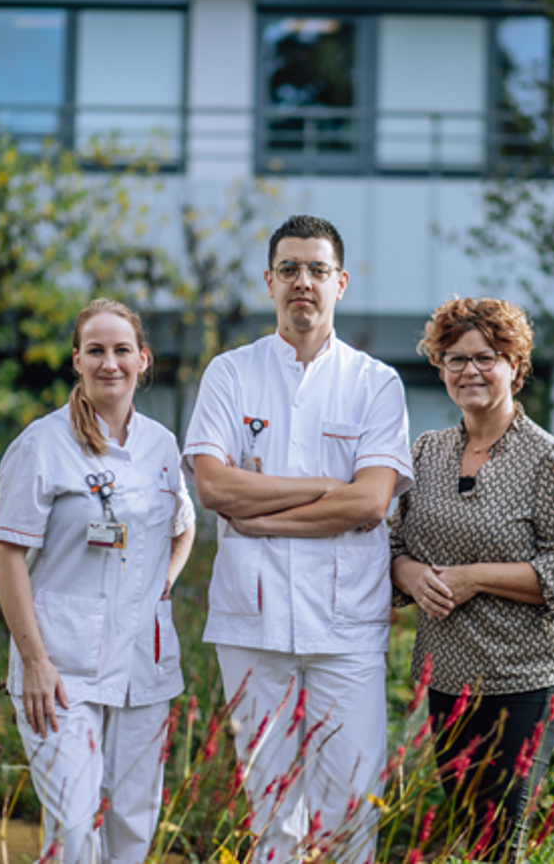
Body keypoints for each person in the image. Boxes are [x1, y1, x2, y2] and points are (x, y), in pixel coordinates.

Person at [181, 214, 414, 863]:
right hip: (251, 625)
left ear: (340, 283)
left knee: (350, 809)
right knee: (271, 811)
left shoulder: (375, 383)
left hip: (346, 631)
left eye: (316, 270)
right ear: (269, 282)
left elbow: (370, 501)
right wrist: (318, 485)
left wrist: (263, 516)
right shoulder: (230, 375)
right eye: (289, 269)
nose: (302, 282)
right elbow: (214, 490)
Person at [390, 297, 554, 861]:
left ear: (515, 364)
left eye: (485, 357)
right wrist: (409, 574)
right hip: (450, 671)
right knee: (468, 824)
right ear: (440, 369)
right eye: (454, 359)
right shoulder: (426, 453)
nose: (469, 372)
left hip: (530, 671)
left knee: (498, 831)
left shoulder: (548, 459)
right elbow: (393, 546)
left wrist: (475, 578)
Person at [0, 298, 195, 864]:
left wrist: (162, 586)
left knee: (133, 829)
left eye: (122, 350)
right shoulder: (42, 444)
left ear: (143, 360)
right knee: (76, 828)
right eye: (97, 351)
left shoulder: (161, 445)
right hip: (61, 671)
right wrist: (33, 661)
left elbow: (184, 526)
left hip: (143, 668)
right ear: (76, 360)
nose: (111, 363)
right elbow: (6, 555)